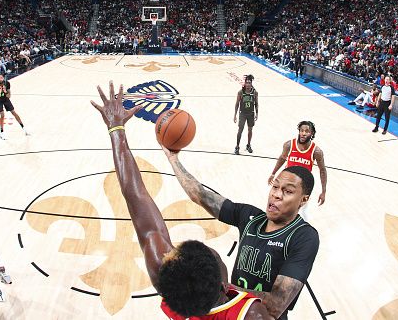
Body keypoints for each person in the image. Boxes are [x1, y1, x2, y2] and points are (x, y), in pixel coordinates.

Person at [91, 81, 271, 320]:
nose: (170, 251)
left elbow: (135, 195)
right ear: (222, 284)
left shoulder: (170, 284)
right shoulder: (252, 314)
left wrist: (116, 129)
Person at [162, 144, 319, 318]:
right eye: (275, 187)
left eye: (287, 191)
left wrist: (222, 287)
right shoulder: (250, 217)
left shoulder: (304, 237)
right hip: (232, 311)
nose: (276, 195)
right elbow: (201, 195)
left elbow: (276, 305)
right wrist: (173, 160)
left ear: (303, 200)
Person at [267, 121, 327, 206]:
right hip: (287, 182)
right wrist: (273, 173)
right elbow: (282, 158)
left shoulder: (316, 151)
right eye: (301, 130)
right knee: (279, 206)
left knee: (301, 211)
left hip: (302, 185)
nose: (303, 133)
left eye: (307, 131)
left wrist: (323, 191)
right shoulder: (289, 145)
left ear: (312, 133)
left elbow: (323, 170)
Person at [0, 74, 29, 140]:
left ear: (3, 78)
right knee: (2, 115)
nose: (0, 79)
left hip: (6, 99)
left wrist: (5, 92)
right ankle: (1, 133)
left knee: (14, 112)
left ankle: (24, 129)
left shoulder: (7, 83)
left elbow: (9, 96)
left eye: (1, 78)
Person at [233, 74, 259, 155]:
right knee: (240, 130)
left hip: (251, 114)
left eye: (249, 83)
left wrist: (257, 114)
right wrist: (235, 115)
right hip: (242, 114)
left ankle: (248, 145)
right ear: (244, 83)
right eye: (246, 82)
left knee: (250, 130)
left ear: (251, 84)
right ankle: (237, 146)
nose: (248, 84)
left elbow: (256, 103)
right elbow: (237, 103)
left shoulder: (255, 92)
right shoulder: (240, 92)